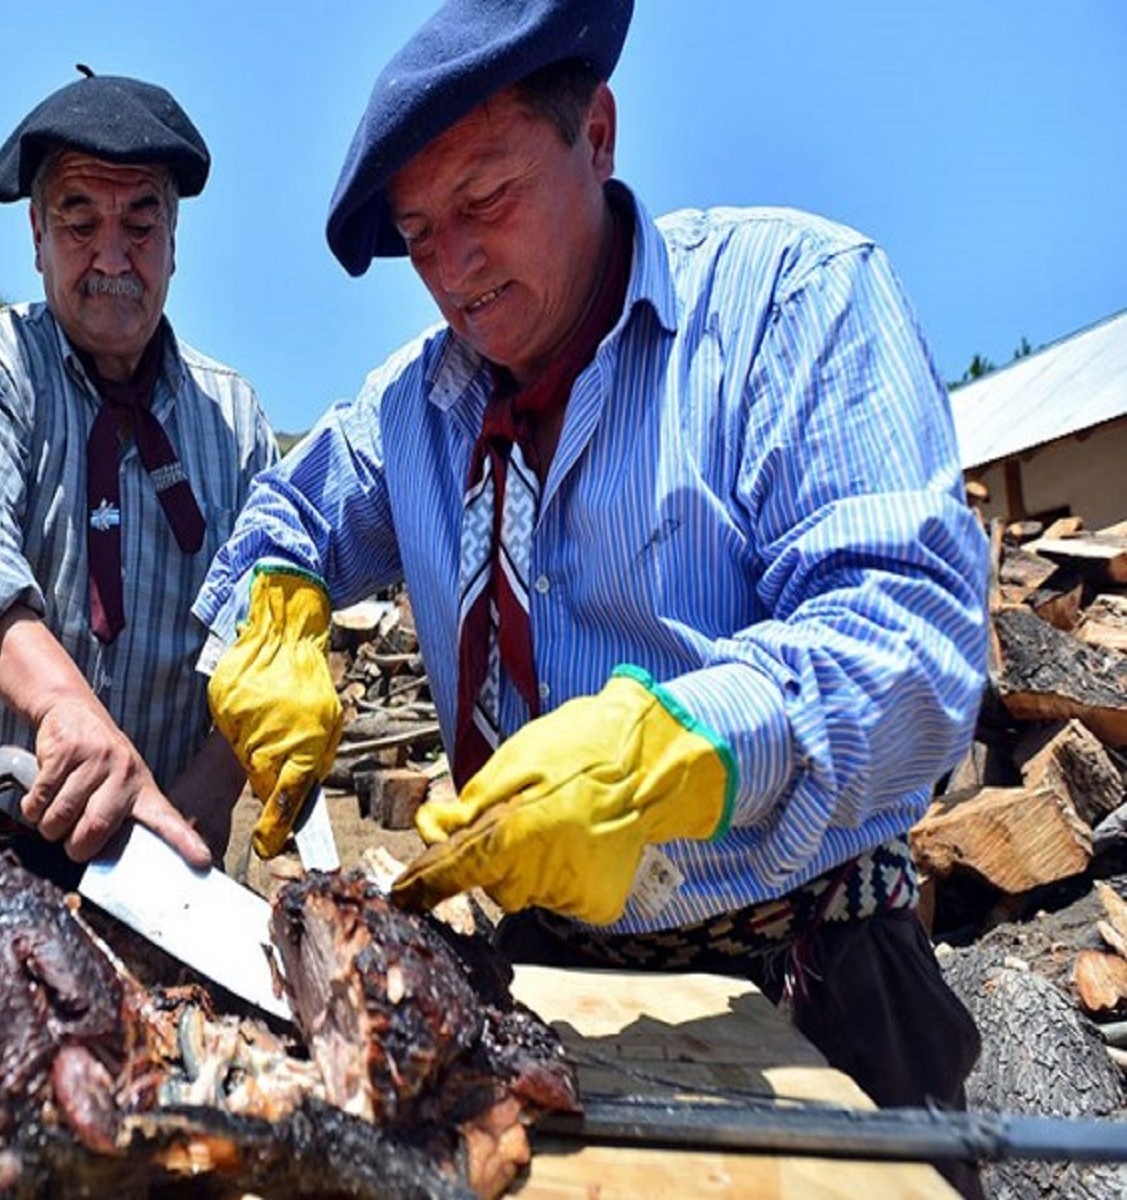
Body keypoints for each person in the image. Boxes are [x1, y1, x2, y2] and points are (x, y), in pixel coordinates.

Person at [198, 3, 987, 1190]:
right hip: (534, 991)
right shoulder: (415, 407)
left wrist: (686, 743)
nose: (452, 271)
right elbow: (288, 514)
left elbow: (912, 641)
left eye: (485, 201)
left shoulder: (791, 305)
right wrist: (274, 601)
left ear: (598, 135)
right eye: (418, 233)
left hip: (814, 979)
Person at [0, 67, 279, 889]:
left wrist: (210, 788)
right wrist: (65, 709)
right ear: (35, 235)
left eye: (140, 222)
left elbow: (262, 635)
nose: (111, 256)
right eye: (79, 220)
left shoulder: (236, 421)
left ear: (175, 239)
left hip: (153, 859)